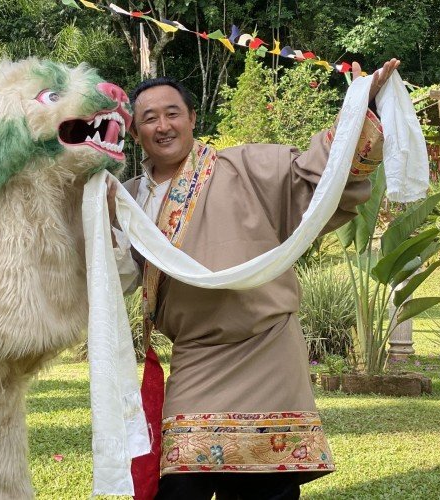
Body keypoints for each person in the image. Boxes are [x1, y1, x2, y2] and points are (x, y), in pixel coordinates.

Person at [108, 59, 401, 500]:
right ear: (135, 133)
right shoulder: (128, 198)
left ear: (191, 119)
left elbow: (315, 175)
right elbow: (115, 270)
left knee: (265, 490)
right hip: (196, 358)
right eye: (149, 118)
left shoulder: (244, 166)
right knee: (180, 487)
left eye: (173, 113)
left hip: (267, 346)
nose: (163, 125)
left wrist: (364, 103)